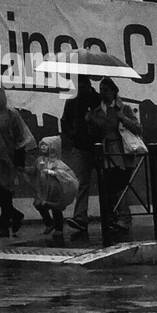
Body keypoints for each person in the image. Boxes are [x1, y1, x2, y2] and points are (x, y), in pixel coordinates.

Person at [86, 76, 143, 242]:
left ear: (113, 91)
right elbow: (94, 132)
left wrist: (122, 118)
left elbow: (138, 128)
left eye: (106, 90)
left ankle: (124, 217)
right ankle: (112, 217)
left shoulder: (123, 108)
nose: (103, 93)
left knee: (120, 186)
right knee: (109, 187)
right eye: (101, 90)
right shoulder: (97, 111)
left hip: (122, 153)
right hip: (105, 152)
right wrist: (89, 120)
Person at [0, 85, 36, 237]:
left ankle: (3, 225)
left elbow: (21, 137)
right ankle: (15, 215)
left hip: (6, 158)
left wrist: (19, 160)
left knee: (5, 190)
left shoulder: (11, 113)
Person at [61, 75, 99, 238]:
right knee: (83, 183)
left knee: (102, 183)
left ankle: (110, 215)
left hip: (97, 146)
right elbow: (65, 120)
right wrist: (72, 136)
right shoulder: (73, 100)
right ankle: (80, 217)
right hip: (83, 146)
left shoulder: (96, 99)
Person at [32, 135, 79, 245]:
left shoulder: (57, 163)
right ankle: (49, 223)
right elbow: (35, 171)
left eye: (46, 145)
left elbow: (65, 174)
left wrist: (51, 172)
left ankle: (58, 228)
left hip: (55, 189)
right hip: (44, 189)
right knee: (39, 204)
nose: (43, 147)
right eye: (42, 145)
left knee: (56, 209)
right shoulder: (39, 160)